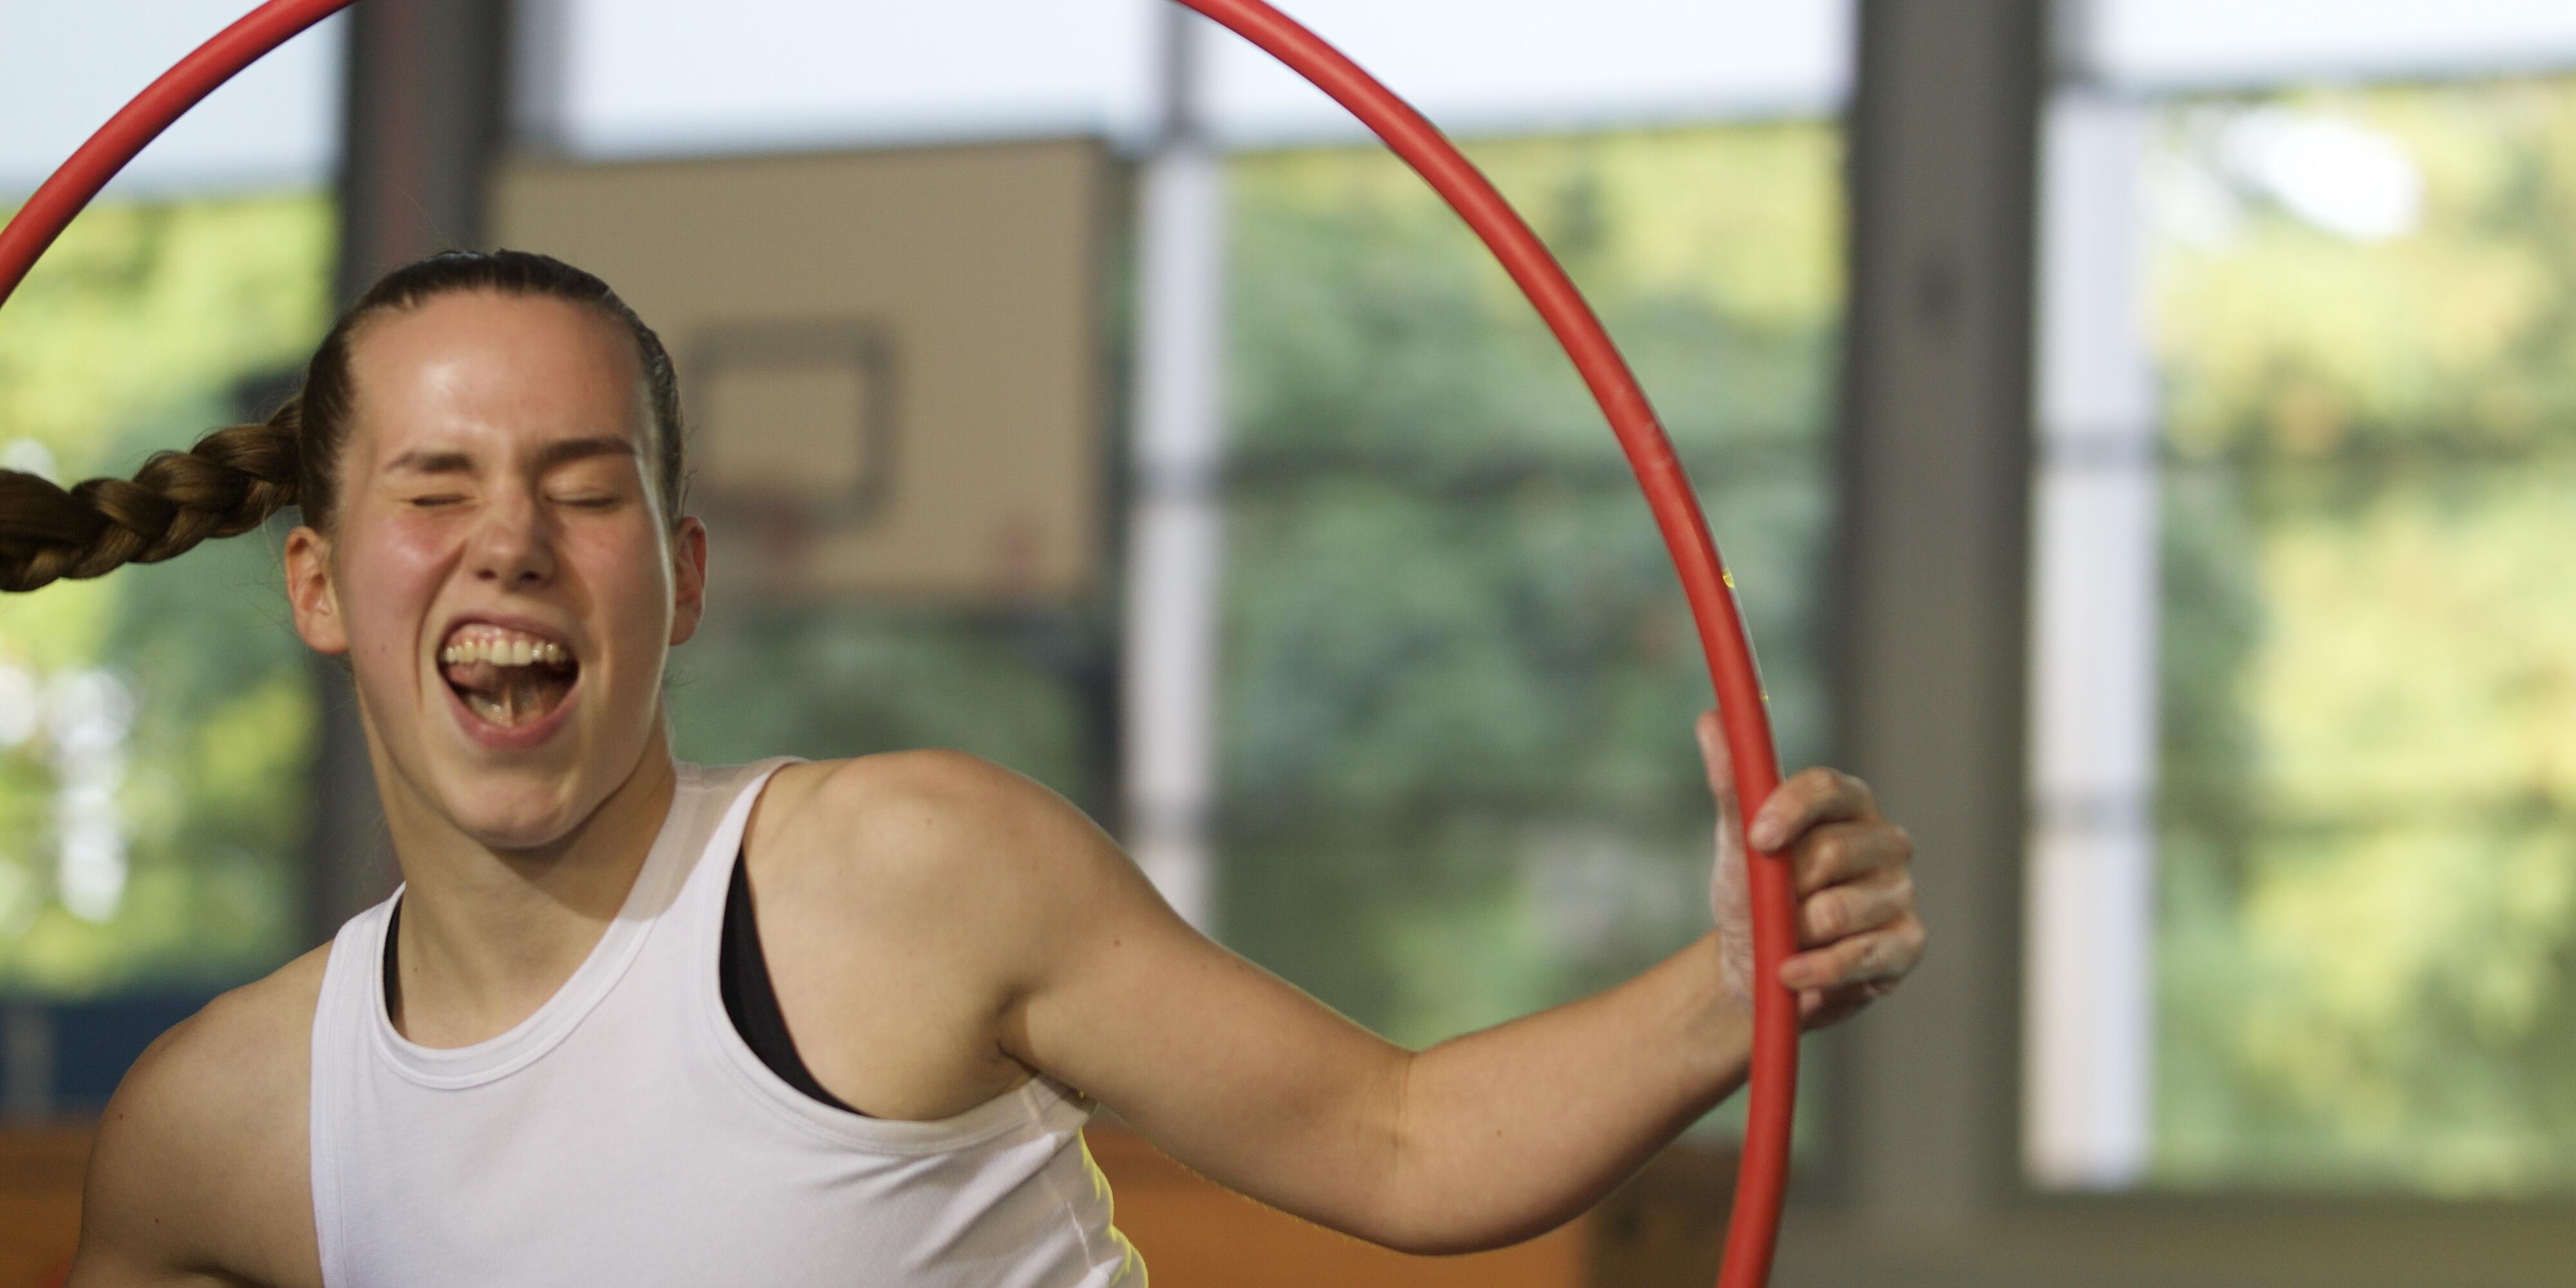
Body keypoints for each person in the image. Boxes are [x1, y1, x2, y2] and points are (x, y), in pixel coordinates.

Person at [12, 249, 1924, 1287]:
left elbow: (1403, 1142)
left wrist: (1728, 993)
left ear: (683, 579)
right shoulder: (223, 1127)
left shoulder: (907, 877)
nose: (509, 542)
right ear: (320, 585)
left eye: (583, 489)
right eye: (436, 489)